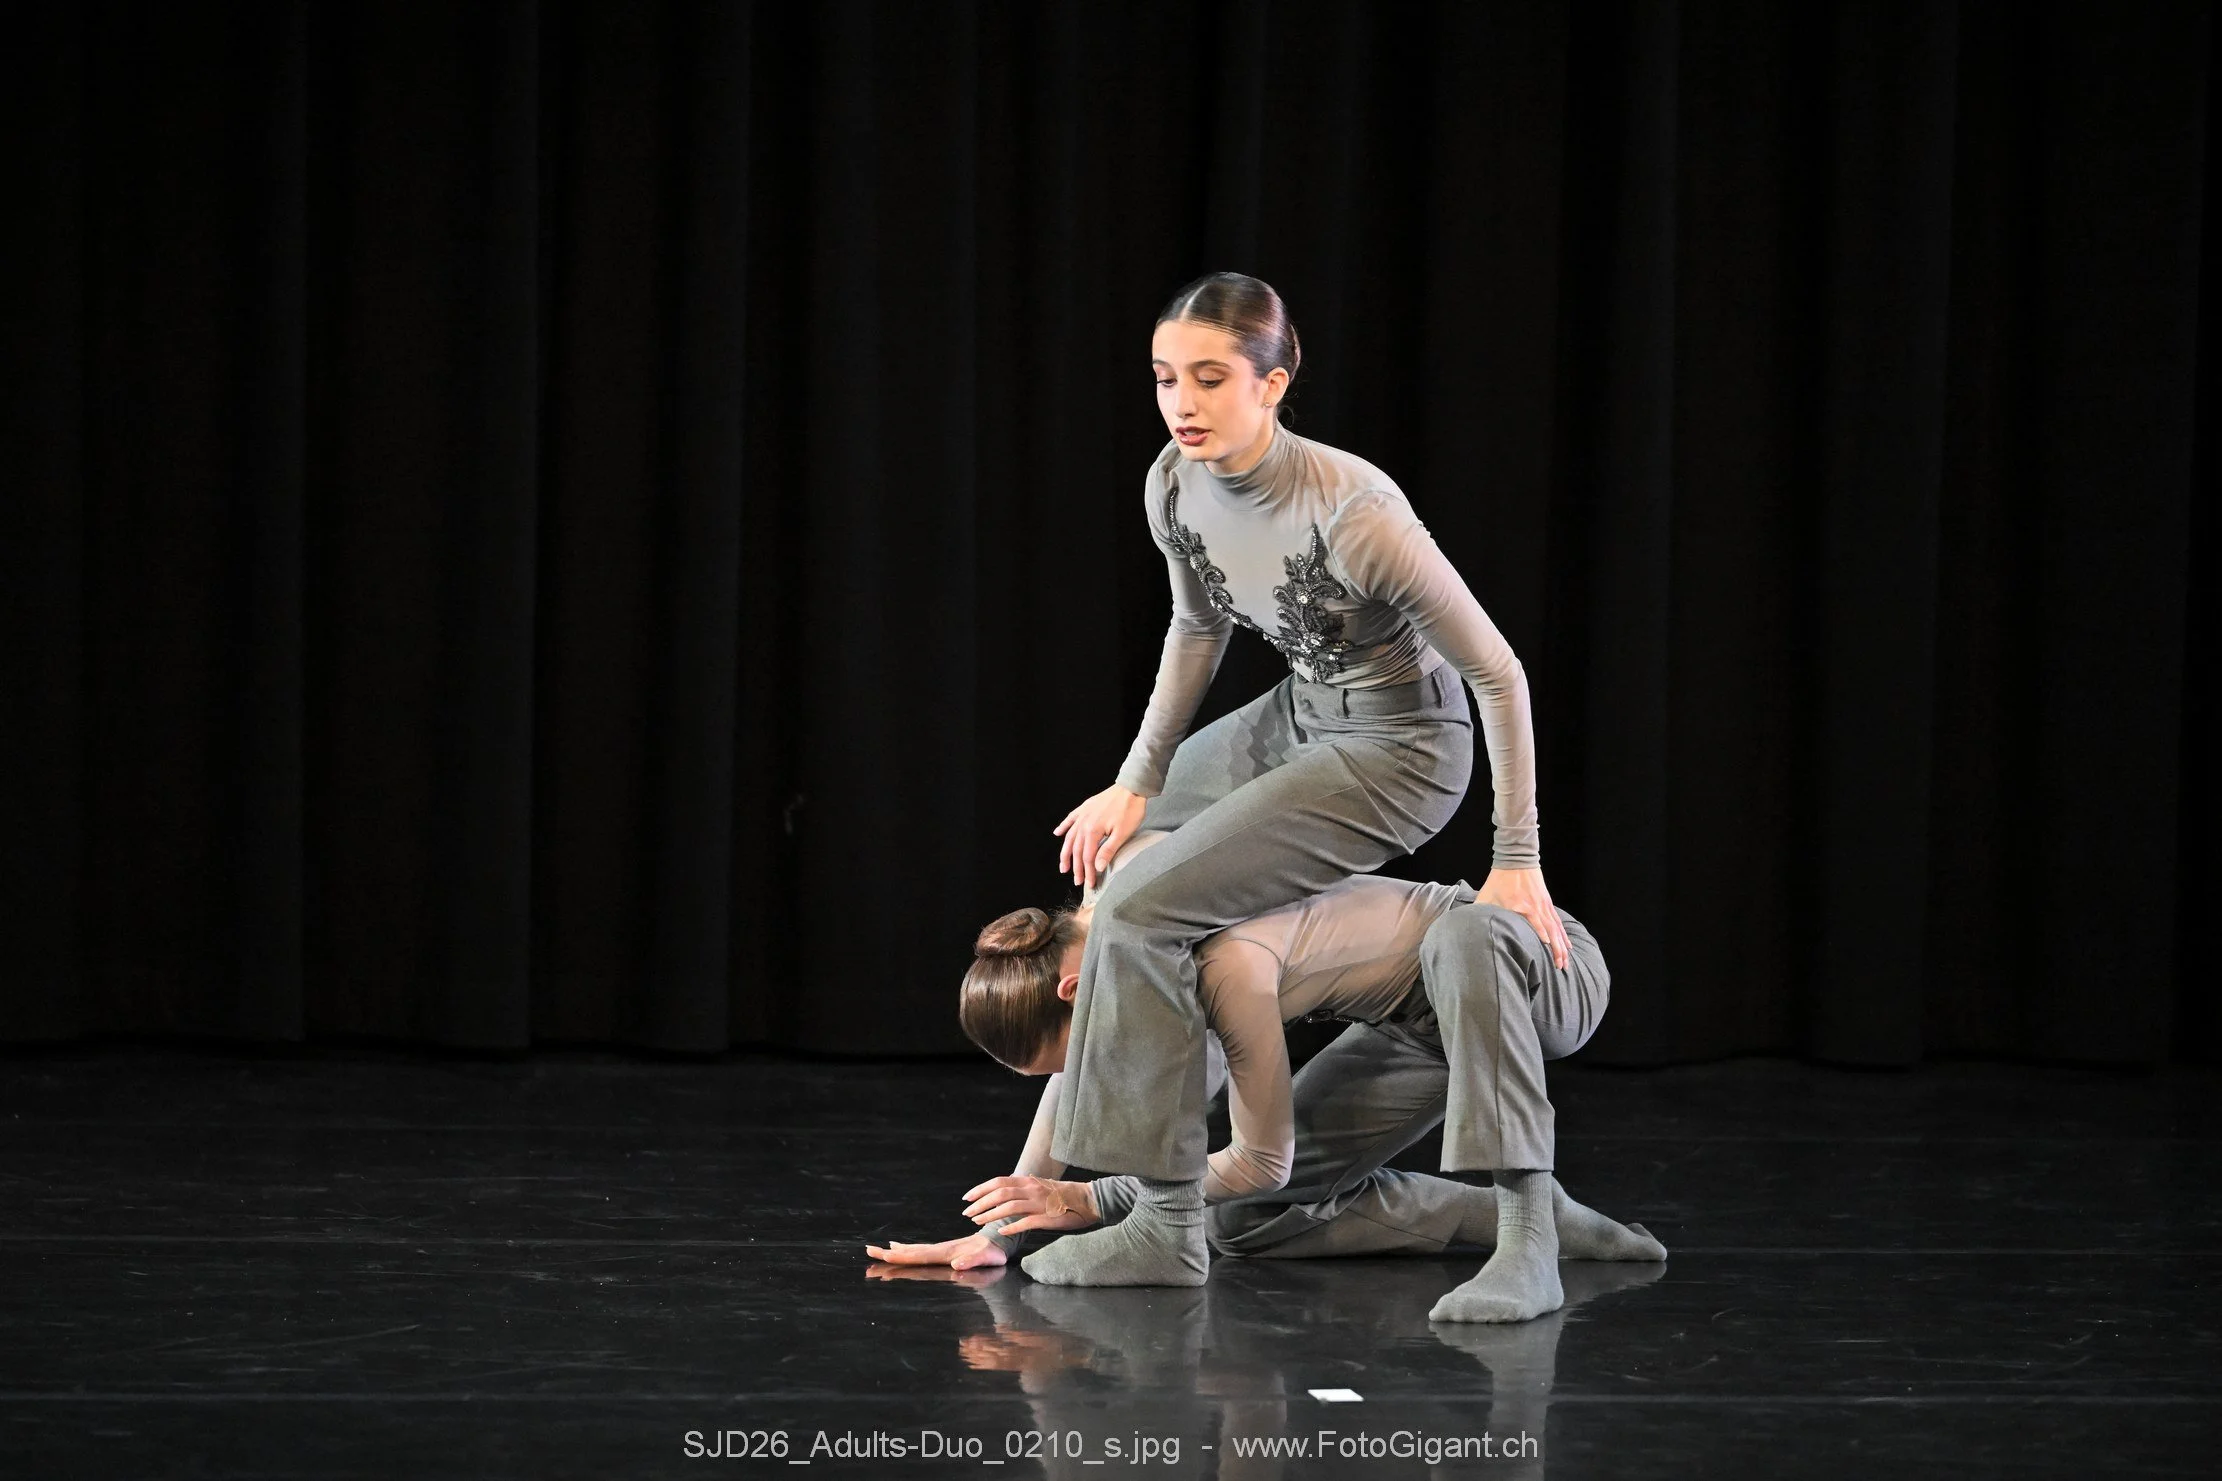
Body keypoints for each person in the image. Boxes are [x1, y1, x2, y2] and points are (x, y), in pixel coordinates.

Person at [1031, 271, 1569, 1288]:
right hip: (1301, 713)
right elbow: (1197, 625)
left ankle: (1163, 1222)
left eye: (1209, 378)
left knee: (1145, 908)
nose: (1181, 402)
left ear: (1272, 384)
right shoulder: (1172, 483)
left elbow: (1500, 673)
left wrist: (1516, 857)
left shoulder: (1353, 511)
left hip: (1401, 749)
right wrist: (1137, 779)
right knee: (1118, 876)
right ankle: (1033, 1195)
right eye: (1164, 378)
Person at [866, 833, 1664, 1322]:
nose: (1092, 1072)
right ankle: (1536, 1219)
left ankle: (1528, 1236)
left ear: (1073, 991)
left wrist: (1091, 1199)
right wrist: (1001, 1233)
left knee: (1460, 939)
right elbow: (1081, 1091)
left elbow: (1260, 1156)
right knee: (1243, 1220)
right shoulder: (1111, 937)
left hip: (1531, 963)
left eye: (1077, 1052)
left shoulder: (1203, 953)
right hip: (1415, 1028)